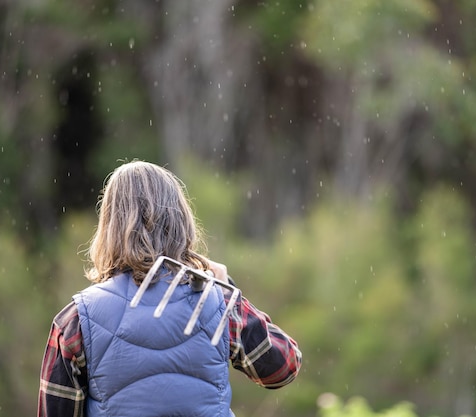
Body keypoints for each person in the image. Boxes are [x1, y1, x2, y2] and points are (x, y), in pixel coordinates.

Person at [37, 160, 302, 417]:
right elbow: (283, 368)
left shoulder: (75, 320)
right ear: (179, 221)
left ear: (109, 227)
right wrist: (227, 287)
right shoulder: (218, 301)